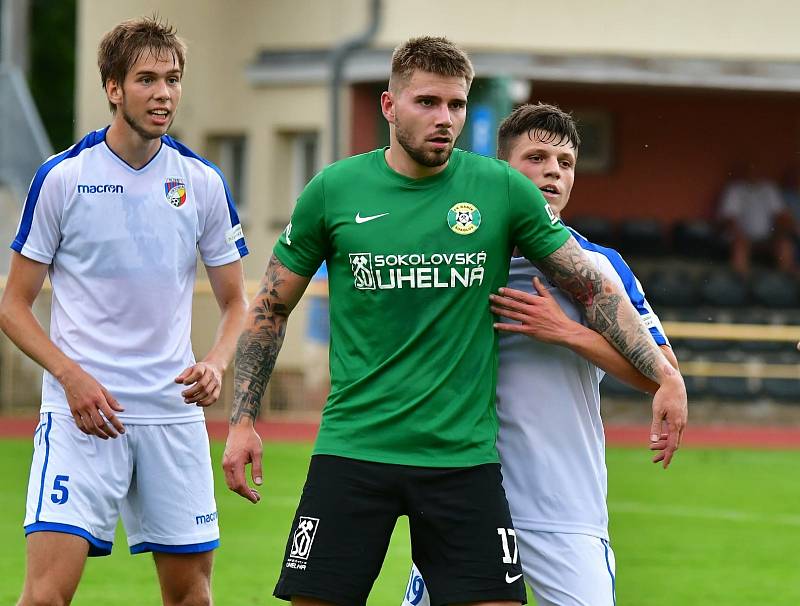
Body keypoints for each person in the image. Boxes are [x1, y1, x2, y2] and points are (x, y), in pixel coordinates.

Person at [223, 37, 687, 606]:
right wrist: (243, 421)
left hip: (461, 459)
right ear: (389, 106)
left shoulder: (499, 190)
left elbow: (591, 288)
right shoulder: (333, 190)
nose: (444, 119)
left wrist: (666, 376)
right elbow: (270, 307)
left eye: (457, 105)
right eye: (427, 103)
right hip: (354, 447)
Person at [0, 17, 248, 606]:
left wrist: (215, 361)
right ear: (113, 87)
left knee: (191, 596)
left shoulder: (202, 182)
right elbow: (13, 305)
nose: (163, 93)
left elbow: (239, 302)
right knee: (44, 597)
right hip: (81, 417)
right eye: (147, 80)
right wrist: (71, 378)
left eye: (173, 79)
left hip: (172, 415)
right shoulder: (63, 178)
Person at [402, 104, 681, 606]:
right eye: (537, 157)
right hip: (463, 496)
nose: (554, 170)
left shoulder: (598, 266)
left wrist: (565, 332)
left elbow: (660, 375)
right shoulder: (457, 258)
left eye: (566, 161)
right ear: (503, 169)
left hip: (564, 505)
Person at [718, 164, 797, 275]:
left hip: (767, 237)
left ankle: (785, 281)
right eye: (751, 172)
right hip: (740, 236)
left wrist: (780, 232)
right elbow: (729, 218)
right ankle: (741, 282)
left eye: (758, 171)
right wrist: (740, 234)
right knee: (739, 246)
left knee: (785, 245)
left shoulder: (769, 188)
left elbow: (781, 214)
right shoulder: (735, 189)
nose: (755, 175)